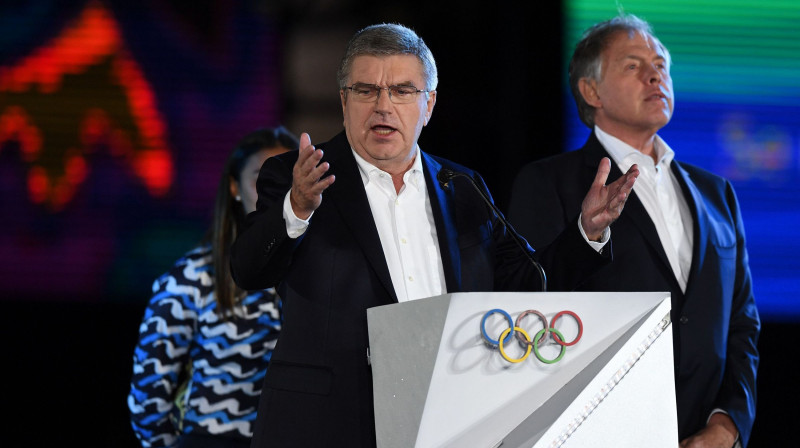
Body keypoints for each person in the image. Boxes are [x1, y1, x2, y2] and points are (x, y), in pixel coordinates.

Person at [230, 23, 638, 447]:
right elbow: (249, 269)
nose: (383, 106)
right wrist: (296, 209)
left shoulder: (462, 186)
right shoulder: (300, 179)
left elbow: (528, 283)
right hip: (329, 425)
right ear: (343, 101)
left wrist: (585, 233)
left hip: (446, 420)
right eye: (366, 90)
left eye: (403, 91)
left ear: (429, 105)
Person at [508, 14, 760, 448]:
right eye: (632, 65)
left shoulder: (716, 192)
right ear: (591, 91)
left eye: (660, 64)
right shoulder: (549, 182)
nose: (655, 74)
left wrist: (728, 423)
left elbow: (741, 323)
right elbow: (526, 305)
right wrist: (585, 235)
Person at [128, 126, 300, 448]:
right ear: (234, 188)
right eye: (262, 178)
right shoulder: (194, 276)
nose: (277, 190)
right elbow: (148, 393)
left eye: (288, 177)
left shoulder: (320, 270)